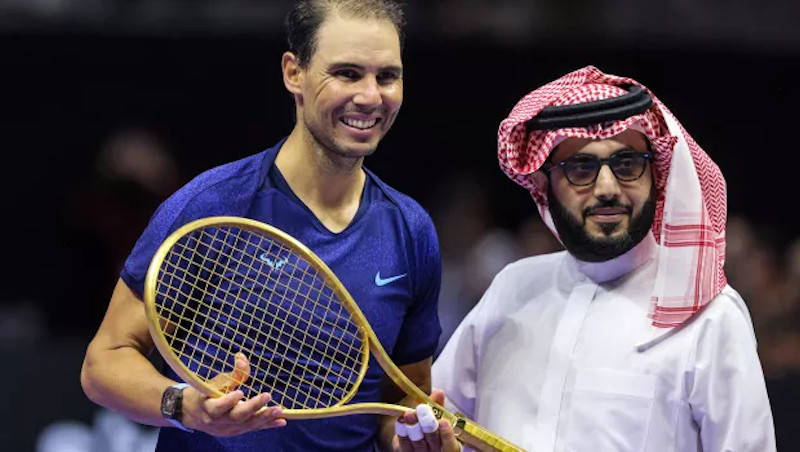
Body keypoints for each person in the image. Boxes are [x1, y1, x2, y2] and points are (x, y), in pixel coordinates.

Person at [80, 1, 443, 451]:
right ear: (294, 73)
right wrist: (184, 406)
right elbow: (104, 363)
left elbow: (400, 404)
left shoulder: (411, 231)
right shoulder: (212, 205)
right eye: (347, 74)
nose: (371, 96)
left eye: (387, 76)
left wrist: (412, 441)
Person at [399, 66, 776, 451]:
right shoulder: (512, 288)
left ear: (656, 176)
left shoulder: (710, 316)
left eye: (627, 165)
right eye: (581, 168)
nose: (608, 188)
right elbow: (437, 420)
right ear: (544, 183)